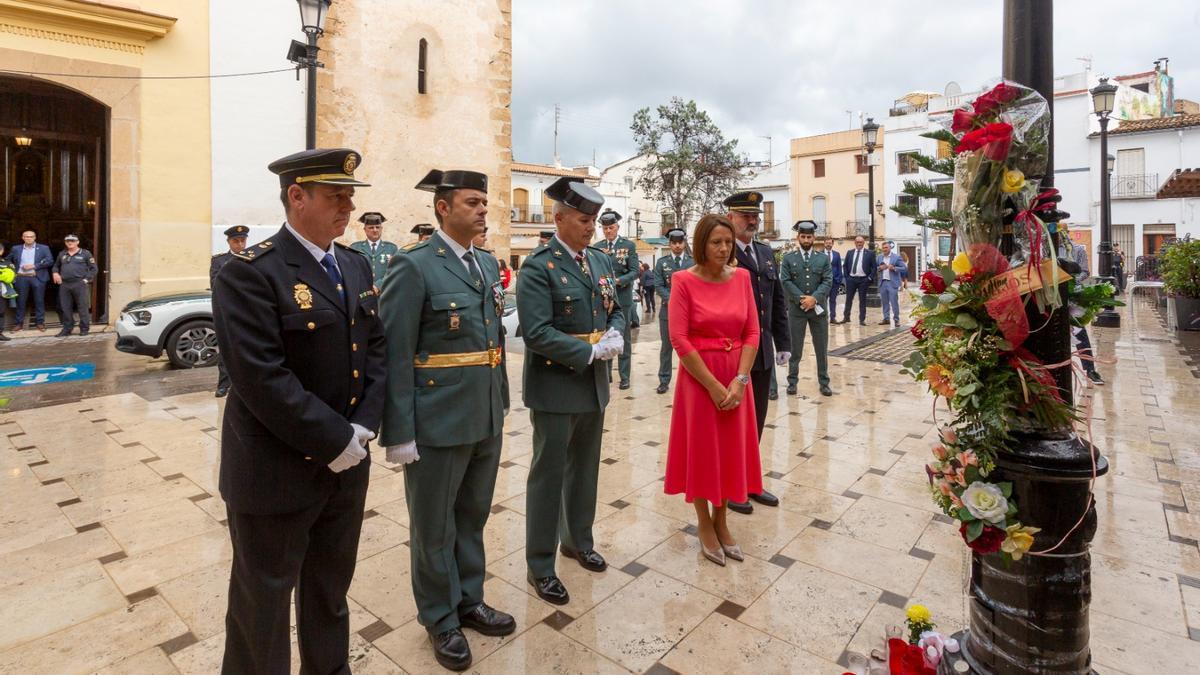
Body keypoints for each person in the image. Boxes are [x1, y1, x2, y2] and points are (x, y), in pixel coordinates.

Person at [211, 148, 386, 675]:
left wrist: (362, 427)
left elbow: (375, 348)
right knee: (261, 602)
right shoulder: (248, 272)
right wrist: (334, 438)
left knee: (329, 592)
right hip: (274, 469)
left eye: (351, 197)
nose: (348, 207)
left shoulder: (353, 263)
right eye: (337, 196)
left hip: (347, 464)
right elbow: (261, 378)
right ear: (296, 196)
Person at [378, 169, 514, 671]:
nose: (483, 210)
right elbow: (394, 352)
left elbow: (490, 342)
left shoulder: (483, 262)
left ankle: (468, 599)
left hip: (483, 414)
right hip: (435, 420)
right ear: (443, 208)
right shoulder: (413, 267)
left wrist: (499, 404)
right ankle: (439, 617)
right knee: (433, 526)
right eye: (473, 202)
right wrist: (400, 432)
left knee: (472, 516)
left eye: (485, 202)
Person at [517, 176, 624, 607]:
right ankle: (540, 564)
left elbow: (617, 307)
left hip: (593, 385)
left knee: (585, 469)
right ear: (559, 218)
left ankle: (578, 540)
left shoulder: (599, 262)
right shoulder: (538, 266)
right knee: (549, 475)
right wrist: (590, 350)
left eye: (594, 220)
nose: (591, 227)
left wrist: (615, 334)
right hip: (557, 384)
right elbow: (536, 332)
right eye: (583, 219)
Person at [663, 214, 760, 566]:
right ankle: (704, 522)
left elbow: (752, 332)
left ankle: (723, 520)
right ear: (701, 244)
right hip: (700, 380)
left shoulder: (743, 278)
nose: (723, 249)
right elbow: (679, 337)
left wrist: (740, 380)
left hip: (737, 378)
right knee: (704, 452)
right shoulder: (683, 281)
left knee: (730, 452)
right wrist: (716, 386)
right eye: (716, 242)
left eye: (728, 242)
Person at [726, 190, 790, 515]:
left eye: (755, 216)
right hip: (733, 355)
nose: (752, 221)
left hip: (762, 351)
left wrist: (785, 343)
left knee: (758, 418)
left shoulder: (765, 253)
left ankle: (751, 480)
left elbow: (777, 300)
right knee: (733, 422)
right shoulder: (721, 255)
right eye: (745, 216)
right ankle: (730, 485)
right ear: (729, 218)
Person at [781, 221, 834, 397]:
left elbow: (827, 281)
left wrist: (814, 299)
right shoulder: (788, 258)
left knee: (821, 348)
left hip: (818, 310)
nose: (806, 239)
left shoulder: (823, 259)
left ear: (814, 237)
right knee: (795, 349)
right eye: (803, 236)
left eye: (808, 236)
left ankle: (824, 382)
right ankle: (792, 381)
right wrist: (802, 299)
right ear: (798, 238)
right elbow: (786, 281)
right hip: (797, 311)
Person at [598, 209, 640, 390]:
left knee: (623, 338)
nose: (608, 231)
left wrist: (620, 281)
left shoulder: (628, 246)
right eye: (605, 228)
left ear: (617, 227)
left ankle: (624, 376)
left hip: (622, 299)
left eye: (611, 227)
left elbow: (635, 271)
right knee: (605, 336)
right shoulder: (597, 246)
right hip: (603, 301)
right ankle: (606, 375)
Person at [1060, 226, 1104, 386]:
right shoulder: (1049, 251)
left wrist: (1071, 280)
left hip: (1071, 297)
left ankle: (1090, 369)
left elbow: (1085, 271)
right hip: (1054, 297)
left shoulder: (1078, 250)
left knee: (1079, 332)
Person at [209, 225, 250, 397]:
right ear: (229, 242)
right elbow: (216, 285)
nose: (240, 244)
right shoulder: (219, 261)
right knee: (227, 348)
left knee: (248, 349)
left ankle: (247, 384)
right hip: (228, 310)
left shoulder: (252, 258)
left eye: (242, 240)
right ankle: (224, 384)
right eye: (236, 241)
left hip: (248, 311)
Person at [654, 228, 693, 394]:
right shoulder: (662, 263)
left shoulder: (692, 263)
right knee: (666, 347)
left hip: (690, 313)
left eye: (680, 242)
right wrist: (673, 300)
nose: (677, 246)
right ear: (669, 244)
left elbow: (697, 285)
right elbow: (658, 285)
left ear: (684, 243)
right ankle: (664, 380)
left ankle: (692, 378)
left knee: (690, 347)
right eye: (674, 243)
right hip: (667, 312)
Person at [51, 234, 98, 337]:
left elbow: (94, 269)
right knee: (65, 307)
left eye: (72, 241)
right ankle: (67, 328)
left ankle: (84, 328)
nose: (70, 242)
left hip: (79, 283)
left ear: (77, 242)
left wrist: (86, 280)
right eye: (67, 241)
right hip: (65, 284)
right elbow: (55, 266)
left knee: (82, 307)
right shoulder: (62, 254)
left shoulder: (85, 253)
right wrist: (55, 273)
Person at [7, 230, 53, 332]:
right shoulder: (16, 249)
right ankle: (18, 324)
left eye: (31, 236)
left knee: (39, 301)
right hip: (21, 277)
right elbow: (8, 260)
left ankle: (40, 323)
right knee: (21, 301)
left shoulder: (44, 248)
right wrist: (12, 267)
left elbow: (50, 261)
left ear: (35, 237)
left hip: (37, 277)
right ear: (22, 238)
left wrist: (34, 266)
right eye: (26, 237)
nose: (29, 238)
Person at [349, 212, 399, 290]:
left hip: (385, 294)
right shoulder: (355, 248)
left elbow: (395, 272)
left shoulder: (392, 248)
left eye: (378, 227)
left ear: (381, 229)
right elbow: (351, 271)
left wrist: (378, 286)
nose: (375, 230)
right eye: (371, 227)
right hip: (362, 294)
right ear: (365, 230)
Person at [842, 235, 876, 326]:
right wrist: (846, 277)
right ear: (855, 243)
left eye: (861, 242)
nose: (859, 244)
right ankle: (846, 317)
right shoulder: (850, 252)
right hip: (851, 280)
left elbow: (874, 268)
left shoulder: (870, 253)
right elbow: (845, 266)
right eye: (857, 242)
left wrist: (869, 278)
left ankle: (862, 319)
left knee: (862, 300)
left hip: (863, 280)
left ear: (863, 243)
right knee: (848, 299)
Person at [877, 240, 907, 328]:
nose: (884, 249)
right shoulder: (879, 257)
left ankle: (896, 320)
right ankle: (886, 319)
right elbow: (875, 268)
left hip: (892, 283)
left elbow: (903, 268)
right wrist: (880, 268)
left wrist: (894, 268)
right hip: (883, 282)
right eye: (883, 248)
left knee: (894, 302)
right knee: (884, 302)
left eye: (886, 247)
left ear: (890, 248)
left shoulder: (896, 257)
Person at [825, 237, 843, 323]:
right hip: (823, 282)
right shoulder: (819, 254)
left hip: (834, 281)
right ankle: (824, 317)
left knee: (833, 300)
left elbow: (839, 267)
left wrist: (839, 279)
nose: (828, 244)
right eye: (827, 243)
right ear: (824, 243)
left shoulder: (837, 254)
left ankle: (833, 318)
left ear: (832, 244)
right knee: (823, 301)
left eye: (830, 243)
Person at [0, 243, 15, 341]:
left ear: (2, 251)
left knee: (0, 312)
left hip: (2, 292)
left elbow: (11, 277)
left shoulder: (7, 263)